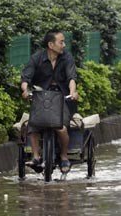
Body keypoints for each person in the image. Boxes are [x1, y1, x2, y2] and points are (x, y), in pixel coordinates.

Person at [20, 31, 80, 174]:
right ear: (51, 45)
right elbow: (25, 78)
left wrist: (72, 92)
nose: (64, 45)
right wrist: (25, 90)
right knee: (32, 125)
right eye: (61, 42)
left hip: (62, 99)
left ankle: (64, 156)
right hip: (41, 98)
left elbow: (72, 78)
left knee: (61, 128)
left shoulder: (67, 58)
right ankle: (36, 157)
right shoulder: (37, 58)